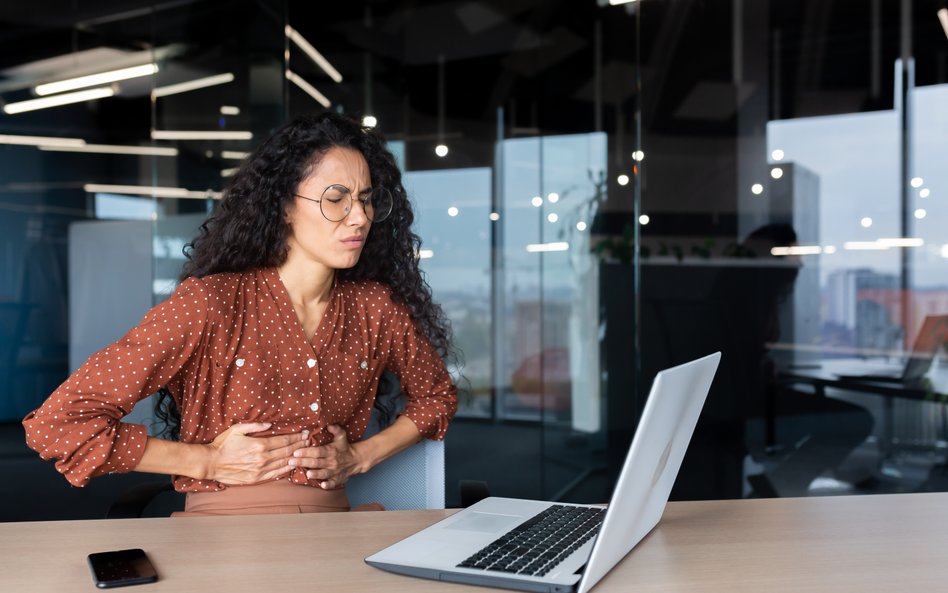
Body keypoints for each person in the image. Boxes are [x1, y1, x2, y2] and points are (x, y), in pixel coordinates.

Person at [22, 112, 458, 516]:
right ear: (284, 205)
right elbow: (59, 424)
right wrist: (206, 460)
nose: (359, 217)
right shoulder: (209, 304)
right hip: (226, 531)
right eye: (337, 199)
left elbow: (437, 397)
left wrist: (363, 455)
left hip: (335, 531)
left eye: (365, 199)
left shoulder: (375, 308)